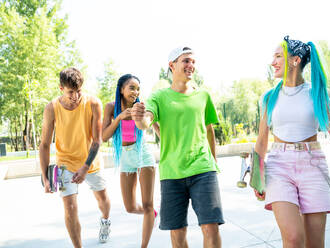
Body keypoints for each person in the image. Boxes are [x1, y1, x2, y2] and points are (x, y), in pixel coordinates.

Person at [254, 36, 330, 248]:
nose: (273, 62)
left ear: (295, 60)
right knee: (293, 238)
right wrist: (256, 175)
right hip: (279, 166)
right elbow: (261, 141)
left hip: (313, 165)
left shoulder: (321, 93)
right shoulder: (269, 97)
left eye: (278, 56)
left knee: (315, 244)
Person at [131, 46, 224, 248]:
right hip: (171, 172)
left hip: (203, 169)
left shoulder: (203, 96)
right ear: (172, 65)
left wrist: (214, 162)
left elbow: (209, 130)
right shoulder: (159, 97)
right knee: (177, 232)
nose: (191, 65)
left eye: (193, 62)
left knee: (211, 227)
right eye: (186, 61)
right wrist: (139, 118)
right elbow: (146, 121)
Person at [39, 68, 111, 248]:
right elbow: (45, 144)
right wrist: (44, 177)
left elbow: (97, 140)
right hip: (65, 163)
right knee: (70, 208)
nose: (76, 95)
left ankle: (105, 221)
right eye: (71, 91)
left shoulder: (93, 103)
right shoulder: (51, 108)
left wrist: (85, 167)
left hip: (90, 161)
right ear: (61, 88)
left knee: (102, 200)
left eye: (79, 90)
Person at [102, 74, 156, 248]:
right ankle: (152, 214)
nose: (135, 91)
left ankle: (144, 245)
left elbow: (154, 126)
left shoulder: (140, 107)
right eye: (132, 87)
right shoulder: (111, 107)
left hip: (143, 154)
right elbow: (104, 136)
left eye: (138, 88)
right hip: (125, 157)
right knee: (130, 207)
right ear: (121, 89)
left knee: (147, 204)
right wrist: (118, 118)